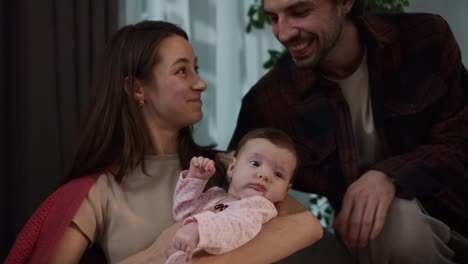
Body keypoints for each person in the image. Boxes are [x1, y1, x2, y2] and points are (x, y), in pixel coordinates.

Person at [6, 21, 323, 264]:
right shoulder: (98, 193)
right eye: (182, 71)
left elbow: (306, 225)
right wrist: (159, 251)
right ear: (137, 89)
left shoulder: (228, 166)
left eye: (195, 69)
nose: (200, 83)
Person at [229, 0, 468, 263]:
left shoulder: (424, 38)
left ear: (344, 3)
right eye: (273, 18)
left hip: (457, 217)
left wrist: (387, 175)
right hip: (376, 239)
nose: (283, 34)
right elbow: (230, 175)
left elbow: (459, 140)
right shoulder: (271, 99)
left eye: (299, 12)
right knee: (386, 221)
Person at [167, 128, 299, 263]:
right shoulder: (214, 195)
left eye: (278, 174)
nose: (265, 175)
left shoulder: (259, 207)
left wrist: (199, 230)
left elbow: (235, 227)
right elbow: (182, 215)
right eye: (255, 163)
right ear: (232, 168)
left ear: (285, 191)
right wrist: (194, 180)